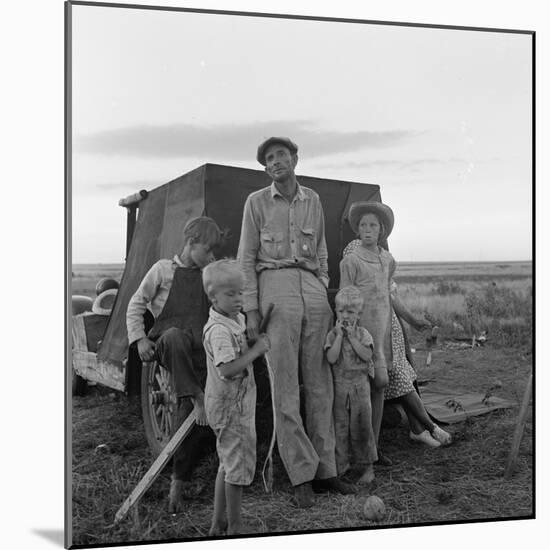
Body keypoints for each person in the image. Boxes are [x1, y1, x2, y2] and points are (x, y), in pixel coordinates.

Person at [237, 136, 354, 508]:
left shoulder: (313, 200)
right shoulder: (255, 203)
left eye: (281, 155)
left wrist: (320, 282)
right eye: (269, 159)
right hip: (275, 287)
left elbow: (321, 248)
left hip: (312, 290)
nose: (276, 162)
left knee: (321, 384)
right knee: (285, 385)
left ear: (294, 159)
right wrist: (252, 310)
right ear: (265, 167)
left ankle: (327, 470)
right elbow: (245, 258)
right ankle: (300, 474)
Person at [126, 216, 224, 512]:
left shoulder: (208, 274)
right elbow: (136, 304)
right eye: (207, 251)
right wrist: (140, 340)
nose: (210, 257)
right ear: (191, 243)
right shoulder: (162, 270)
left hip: (199, 354)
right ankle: (196, 396)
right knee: (176, 338)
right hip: (170, 346)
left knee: (190, 419)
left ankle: (177, 487)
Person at [340, 203, 451, 459]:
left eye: (374, 225)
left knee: (394, 380)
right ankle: (369, 450)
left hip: (388, 330)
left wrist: (412, 319)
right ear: (357, 227)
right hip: (365, 329)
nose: (368, 229)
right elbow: (348, 296)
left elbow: (389, 294)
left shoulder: (387, 258)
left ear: (382, 230)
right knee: (374, 386)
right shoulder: (352, 253)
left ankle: (411, 432)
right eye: (364, 224)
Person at [202, 260, 270, 535]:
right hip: (230, 406)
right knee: (237, 468)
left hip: (234, 403)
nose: (238, 299)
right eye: (230, 294)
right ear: (213, 297)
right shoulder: (219, 330)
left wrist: (252, 343)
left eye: (240, 293)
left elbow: (238, 349)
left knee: (226, 464)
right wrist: (256, 352)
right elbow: (228, 369)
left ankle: (218, 523)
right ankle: (235, 528)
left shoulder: (235, 320)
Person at [325, 286, 378, 485]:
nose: (345, 315)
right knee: (340, 428)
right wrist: (340, 336)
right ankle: (342, 469)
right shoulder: (332, 335)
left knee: (362, 427)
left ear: (359, 314)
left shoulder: (363, 334)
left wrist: (352, 337)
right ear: (336, 311)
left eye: (350, 312)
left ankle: (365, 468)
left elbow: (366, 355)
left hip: (360, 388)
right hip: (339, 387)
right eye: (341, 311)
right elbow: (331, 358)